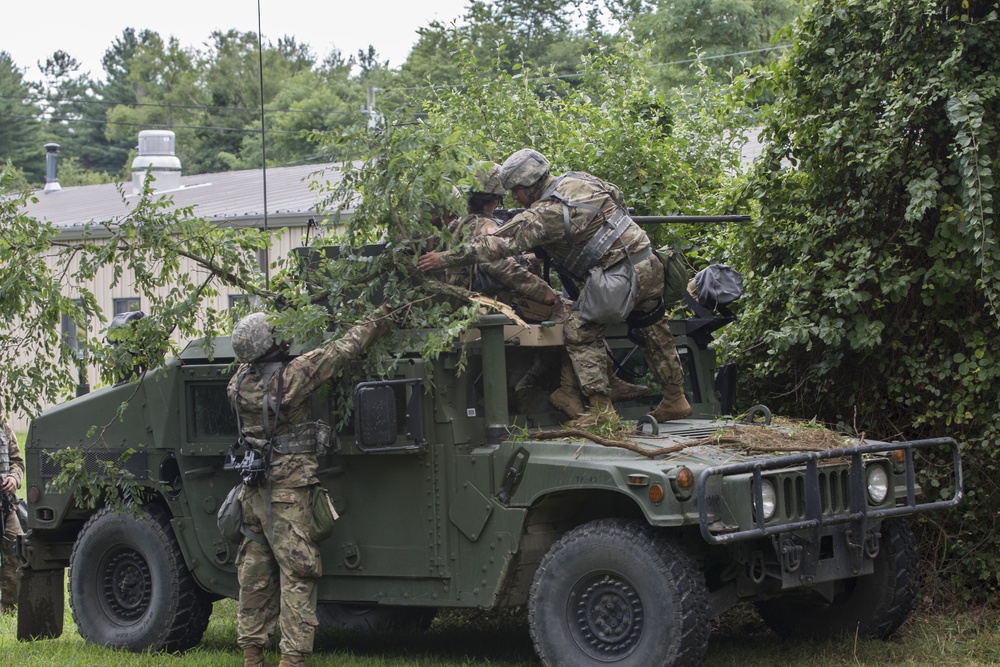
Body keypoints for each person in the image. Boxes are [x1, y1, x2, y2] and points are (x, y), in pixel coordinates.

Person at [417, 148, 691, 427]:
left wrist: (443, 258)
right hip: (649, 261)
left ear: (531, 186)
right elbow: (616, 196)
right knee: (653, 326)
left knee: (578, 330)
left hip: (618, 274)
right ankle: (675, 398)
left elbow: (494, 246)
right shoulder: (580, 179)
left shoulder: (543, 214)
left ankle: (601, 412)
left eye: (516, 191)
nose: (513, 198)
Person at [229, 308, 392, 667]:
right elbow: (343, 349)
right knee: (298, 575)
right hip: (288, 496)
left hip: (252, 495)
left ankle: (252, 655)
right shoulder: (292, 377)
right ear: (270, 344)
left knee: (254, 577)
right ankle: (292, 659)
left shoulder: (238, 383)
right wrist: (383, 317)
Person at [1, 417, 24, 615]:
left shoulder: (5, 429)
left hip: (5, 505)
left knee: (16, 551)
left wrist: (13, 479)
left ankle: (9, 607)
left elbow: (17, 462)